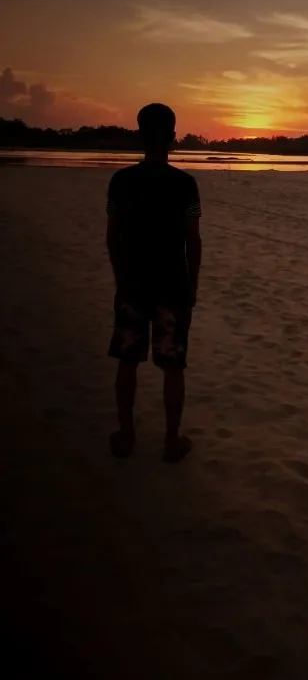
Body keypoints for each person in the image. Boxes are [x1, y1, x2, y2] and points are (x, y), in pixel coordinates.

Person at [106, 103, 202, 462]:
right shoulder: (185, 185)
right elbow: (192, 240)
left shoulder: (121, 182)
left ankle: (127, 436)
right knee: (173, 365)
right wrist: (192, 284)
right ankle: (171, 440)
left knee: (128, 361)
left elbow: (111, 236)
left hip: (133, 285)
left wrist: (121, 278)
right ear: (173, 138)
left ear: (141, 135)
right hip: (173, 286)